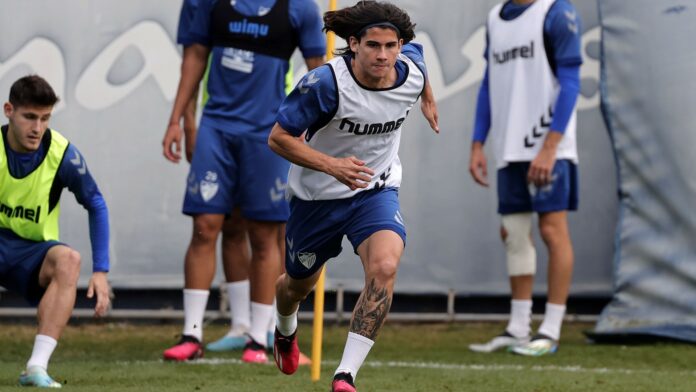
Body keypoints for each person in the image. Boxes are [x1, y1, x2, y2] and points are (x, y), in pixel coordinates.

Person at [268, 1, 439, 391]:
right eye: (373, 46)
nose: (383, 55)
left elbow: (419, 59)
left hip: (375, 191)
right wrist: (332, 166)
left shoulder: (408, 69)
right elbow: (277, 138)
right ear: (353, 43)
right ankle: (284, 327)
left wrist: (427, 95)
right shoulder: (325, 84)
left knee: (385, 267)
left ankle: (345, 375)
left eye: (391, 46)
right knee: (295, 286)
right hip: (317, 198)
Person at [161, 0, 326, 363]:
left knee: (266, 232)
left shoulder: (301, 8)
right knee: (206, 225)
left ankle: (258, 337)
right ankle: (192, 334)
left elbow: (320, 72)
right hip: (217, 127)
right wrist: (180, 120)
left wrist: (317, 134)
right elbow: (194, 58)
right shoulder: (206, 3)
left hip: (267, 132)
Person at [467, 0, 582, 356]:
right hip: (509, 148)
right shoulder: (494, 17)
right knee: (514, 234)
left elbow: (571, 82)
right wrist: (477, 143)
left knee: (551, 230)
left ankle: (550, 330)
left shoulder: (557, 12)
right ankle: (518, 328)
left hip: (549, 147)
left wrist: (550, 146)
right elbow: (489, 83)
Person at [0, 75, 111, 387]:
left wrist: (101, 270)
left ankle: (36, 367)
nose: (37, 128)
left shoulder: (63, 156)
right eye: (30, 117)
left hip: (30, 254)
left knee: (69, 260)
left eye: (45, 118)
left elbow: (96, 204)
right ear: (9, 110)